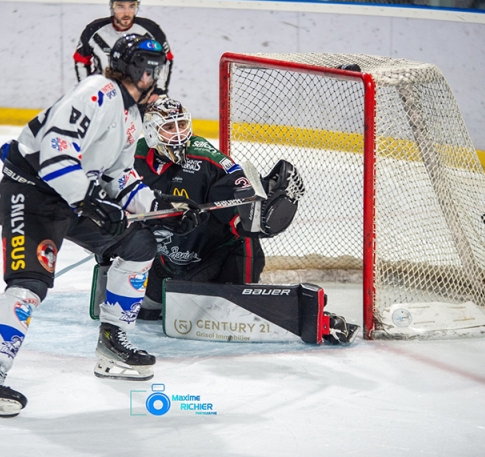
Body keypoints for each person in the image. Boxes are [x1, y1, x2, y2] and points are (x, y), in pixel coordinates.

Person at [0, 34, 197, 418]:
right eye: (151, 68)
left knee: (138, 247)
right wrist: (91, 203)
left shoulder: (131, 114)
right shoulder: (97, 92)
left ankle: (112, 345)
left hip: (73, 195)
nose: (156, 75)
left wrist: (161, 208)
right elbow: (55, 156)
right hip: (31, 194)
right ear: (136, 68)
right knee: (29, 284)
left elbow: (120, 175)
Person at [129, 97, 360, 345]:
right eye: (169, 127)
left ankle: (316, 318)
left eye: (182, 125)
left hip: (216, 258)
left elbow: (238, 188)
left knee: (232, 309)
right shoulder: (134, 157)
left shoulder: (205, 158)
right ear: (152, 132)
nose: (178, 134)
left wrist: (262, 211)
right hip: (166, 260)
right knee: (144, 312)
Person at [73, 0, 173, 95]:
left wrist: (159, 91)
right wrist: (86, 90)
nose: (126, 12)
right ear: (111, 6)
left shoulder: (151, 31)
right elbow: (81, 60)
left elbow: (166, 59)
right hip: (103, 97)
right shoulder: (94, 31)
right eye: (120, 6)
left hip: (138, 97)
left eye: (131, 6)